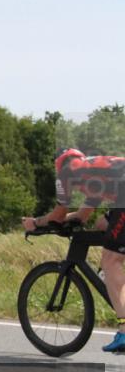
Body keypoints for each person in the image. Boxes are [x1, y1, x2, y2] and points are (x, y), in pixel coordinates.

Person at [22, 148, 125, 352]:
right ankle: (113, 280)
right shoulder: (92, 174)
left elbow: (58, 214)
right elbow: (81, 217)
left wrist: (35, 222)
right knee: (103, 225)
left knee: (111, 259)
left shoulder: (66, 172)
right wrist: (57, 221)